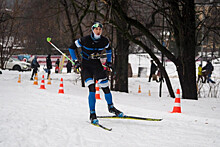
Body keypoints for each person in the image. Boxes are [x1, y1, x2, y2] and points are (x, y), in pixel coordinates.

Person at [68, 21, 123, 124]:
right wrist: (76, 62)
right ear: (92, 30)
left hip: (97, 65)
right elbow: (71, 47)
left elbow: (109, 50)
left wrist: (109, 62)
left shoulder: (104, 41)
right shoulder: (85, 40)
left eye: (100, 29)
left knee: (105, 87)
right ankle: (92, 113)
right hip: (86, 66)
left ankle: (111, 107)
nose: (98, 31)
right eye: (96, 29)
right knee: (92, 88)